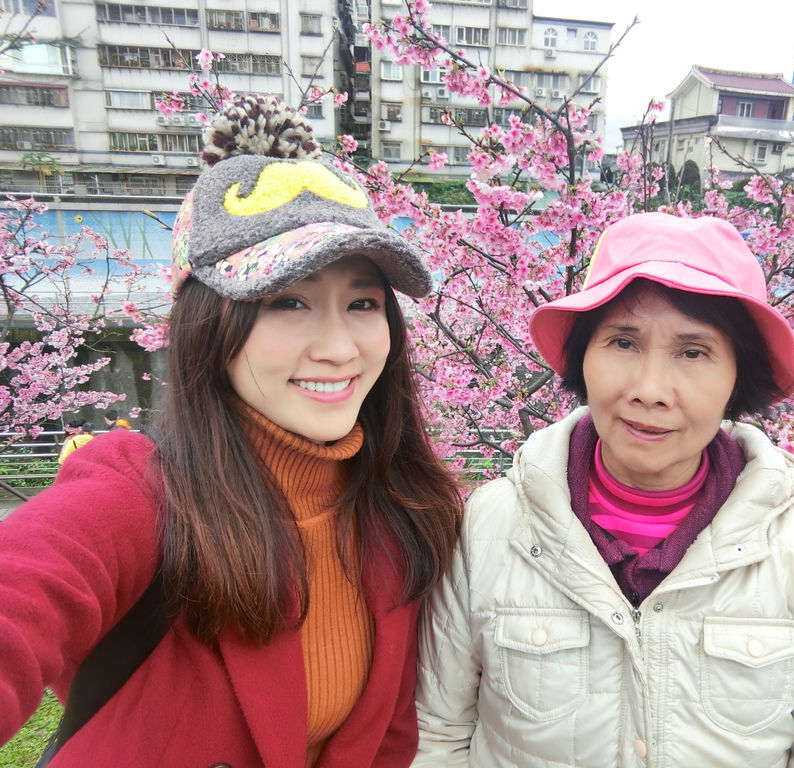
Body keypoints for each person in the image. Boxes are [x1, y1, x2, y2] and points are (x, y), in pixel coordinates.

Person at [0, 95, 462, 767]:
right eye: (287, 302)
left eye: (363, 302)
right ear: (209, 326)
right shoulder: (138, 495)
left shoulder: (404, 511)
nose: (339, 347)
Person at [414, 213, 794, 767]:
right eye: (622, 341)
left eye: (693, 352)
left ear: (736, 379)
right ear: (583, 359)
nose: (649, 391)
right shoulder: (489, 527)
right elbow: (434, 735)